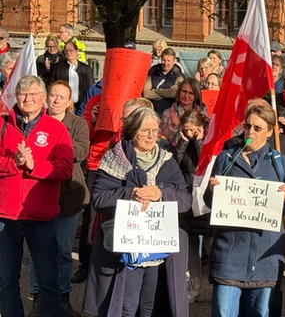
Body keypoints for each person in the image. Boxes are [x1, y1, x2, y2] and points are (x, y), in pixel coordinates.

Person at [83, 106, 190, 316]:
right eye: (144, 130)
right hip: (125, 248)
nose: (151, 136)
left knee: (150, 305)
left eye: (154, 130)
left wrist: (160, 194)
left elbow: (185, 200)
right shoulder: (115, 158)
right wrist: (130, 193)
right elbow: (99, 198)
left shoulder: (167, 161)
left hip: (158, 247)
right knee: (126, 306)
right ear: (132, 131)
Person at [205, 103, 285, 316]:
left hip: (264, 260)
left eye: (257, 128)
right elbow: (209, 202)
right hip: (229, 256)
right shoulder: (226, 158)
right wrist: (213, 191)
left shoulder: (280, 162)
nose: (251, 132)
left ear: (269, 131)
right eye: (248, 126)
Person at [0, 75, 74, 317]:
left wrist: (34, 165)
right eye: (23, 94)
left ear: (43, 98)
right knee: (6, 279)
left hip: (41, 216)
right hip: (6, 215)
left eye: (33, 94)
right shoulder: (2, 125)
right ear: (16, 97)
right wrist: (14, 163)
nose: (27, 98)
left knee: (48, 280)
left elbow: (65, 168)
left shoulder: (57, 129)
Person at [27, 80, 89, 317]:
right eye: (52, 95)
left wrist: (51, 145)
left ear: (69, 101)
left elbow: (81, 151)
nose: (55, 100)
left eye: (61, 97)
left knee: (63, 250)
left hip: (69, 197)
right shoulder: (34, 122)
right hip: (39, 194)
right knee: (37, 249)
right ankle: (38, 296)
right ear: (46, 97)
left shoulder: (77, 124)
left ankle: (62, 297)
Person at [174, 109, 210, 304]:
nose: (189, 133)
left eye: (192, 130)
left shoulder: (207, 142)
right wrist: (183, 142)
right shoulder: (181, 142)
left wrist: (198, 141)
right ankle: (194, 287)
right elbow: (174, 163)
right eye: (185, 130)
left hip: (205, 199)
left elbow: (204, 163)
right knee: (191, 247)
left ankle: (220, 284)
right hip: (187, 198)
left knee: (213, 244)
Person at [49, 41, 95, 112]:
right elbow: (50, 86)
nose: (68, 52)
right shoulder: (57, 68)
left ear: (77, 52)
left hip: (82, 107)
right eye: (66, 51)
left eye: (71, 50)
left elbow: (91, 88)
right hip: (63, 106)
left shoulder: (86, 69)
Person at [160, 77, 207, 144]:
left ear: (196, 95)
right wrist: (177, 127)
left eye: (191, 93)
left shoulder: (202, 112)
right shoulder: (167, 113)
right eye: (184, 91)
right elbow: (164, 139)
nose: (186, 96)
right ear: (179, 92)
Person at [143, 47, 185, 116]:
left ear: (174, 61)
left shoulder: (179, 75)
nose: (165, 63)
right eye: (163, 60)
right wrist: (166, 94)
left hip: (169, 112)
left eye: (168, 61)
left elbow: (173, 94)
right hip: (151, 110)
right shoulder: (153, 70)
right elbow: (146, 93)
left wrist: (156, 90)